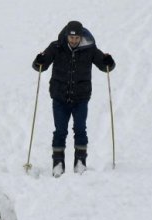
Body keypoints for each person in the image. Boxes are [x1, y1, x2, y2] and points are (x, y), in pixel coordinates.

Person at [32, 21, 115, 177]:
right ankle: (58, 163)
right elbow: (39, 66)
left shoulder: (89, 48)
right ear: (67, 36)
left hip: (81, 97)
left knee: (80, 129)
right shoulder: (56, 47)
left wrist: (108, 63)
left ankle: (80, 162)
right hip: (59, 97)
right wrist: (39, 61)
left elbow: (105, 66)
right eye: (71, 38)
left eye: (77, 38)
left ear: (81, 36)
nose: (74, 41)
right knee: (60, 131)